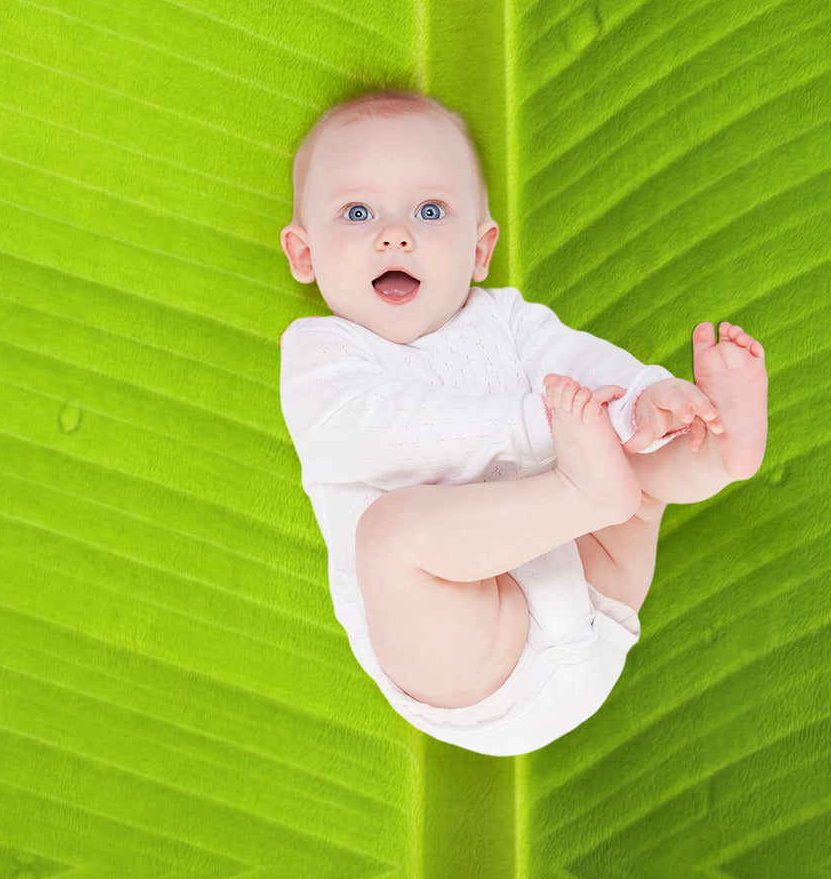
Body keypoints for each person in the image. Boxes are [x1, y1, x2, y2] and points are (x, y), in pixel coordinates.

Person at [279, 90, 768, 756]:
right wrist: (539, 424)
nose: (395, 235)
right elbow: (370, 433)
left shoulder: (506, 319)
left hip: (595, 591)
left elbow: (579, 363)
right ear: (304, 254)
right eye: (357, 212)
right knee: (391, 536)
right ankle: (590, 490)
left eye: (430, 210)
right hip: (476, 660)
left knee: (635, 458)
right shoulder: (322, 354)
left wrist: (644, 398)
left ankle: (713, 451)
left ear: (480, 250)